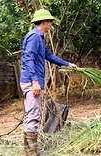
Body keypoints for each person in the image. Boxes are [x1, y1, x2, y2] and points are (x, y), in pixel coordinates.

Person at [20, 9, 77, 156]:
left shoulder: (39, 37)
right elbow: (28, 59)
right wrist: (34, 81)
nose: (51, 24)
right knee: (33, 115)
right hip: (31, 81)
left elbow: (48, 55)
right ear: (44, 22)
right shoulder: (34, 37)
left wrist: (67, 64)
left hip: (33, 80)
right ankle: (31, 153)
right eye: (50, 21)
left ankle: (31, 150)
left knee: (31, 115)